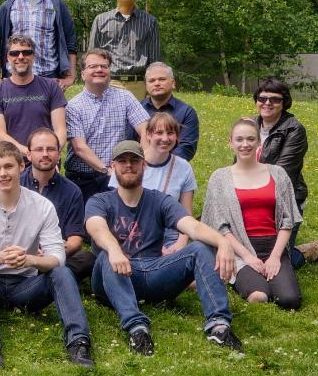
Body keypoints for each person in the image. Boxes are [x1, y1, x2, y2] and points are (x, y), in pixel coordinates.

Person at [85, 140, 243, 356]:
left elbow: (191, 225)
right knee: (105, 255)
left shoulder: (159, 200)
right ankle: (137, 329)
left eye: (134, 160)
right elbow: (96, 228)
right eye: (122, 161)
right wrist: (114, 250)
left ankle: (219, 326)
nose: (128, 165)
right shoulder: (99, 200)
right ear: (113, 167)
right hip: (111, 277)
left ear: (144, 166)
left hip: (153, 271)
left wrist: (223, 242)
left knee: (200, 248)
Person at [0, 142, 94, 369]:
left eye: (9, 166)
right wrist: (2, 257)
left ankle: (79, 342)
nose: (3, 174)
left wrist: (30, 260)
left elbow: (57, 256)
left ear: (22, 166)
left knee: (61, 272)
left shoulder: (43, 206)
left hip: (27, 285)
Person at [201, 118, 302, 310]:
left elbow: (287, 221)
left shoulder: (278, 174)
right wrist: (247, 256)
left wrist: (274, 257)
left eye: (250, 139)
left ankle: (295, 260)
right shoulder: (219, 178)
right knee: (259, 296)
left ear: (259, 143)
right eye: (239, 139)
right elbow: (220, 227)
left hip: (274, 246)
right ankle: (246, 278)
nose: (245, 144)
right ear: (230, 142)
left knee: (290, 301)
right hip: (238, 248)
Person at [252, 78, 318, 266]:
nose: (267, 103)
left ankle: (314, 249)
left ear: (284, 103)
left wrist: (246, 184)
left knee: (281, 263)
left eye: (274, 99)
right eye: (262, 98)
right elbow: (238, 163)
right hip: (252, 195)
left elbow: (282, 173)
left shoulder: (294, 129)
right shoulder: (251, 125)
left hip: (286, 198)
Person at [65, 48, 150, 203]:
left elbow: (145, 130)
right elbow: (79, 148)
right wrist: (107, 170)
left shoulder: (125, 97)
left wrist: (143, 162)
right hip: (83, 178)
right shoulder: (73, 106)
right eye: (93, 66)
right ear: (83, 74)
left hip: (120, 174)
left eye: (104, 66)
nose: (99, 70)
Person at [109, 112, 196, 254]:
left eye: (170, 133)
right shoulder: (130, 164)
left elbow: (186, 213)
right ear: (148, 135)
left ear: (177, 137)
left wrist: (181, 242)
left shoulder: (183, 167)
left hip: (170, 231)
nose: (165, 138)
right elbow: (115, 209)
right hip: (134, 229)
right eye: (159, 133)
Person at [21, 127, 95, 282]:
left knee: (86, 259)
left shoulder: (72, 191)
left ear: (58, 153)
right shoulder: (16, 184)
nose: (45, 154)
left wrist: (52, 253)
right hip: (21, 254)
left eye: (51, 149)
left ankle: (41, 279)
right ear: (29, 154)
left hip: (55, 253)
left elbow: (75, 239)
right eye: (39, 149)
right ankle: (51, 281)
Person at [0, 0, 76, 89]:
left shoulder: (56, 5)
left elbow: (70, 40)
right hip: (14, 78)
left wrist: (70, 76)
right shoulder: (7, 7)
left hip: (49, 78)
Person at [0, 34, 67, 159]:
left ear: (34, 56)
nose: (20, 57)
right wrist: (31, 154)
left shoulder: (52, 86)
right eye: (14, 53)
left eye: (26, 52)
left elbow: (60, 130)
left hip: (46, 160)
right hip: (14, 160)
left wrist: (51, 154)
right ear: (8, 58)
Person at [88, 0, 160, 98]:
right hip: (108, 85)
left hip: (139, 87)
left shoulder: (150, 22)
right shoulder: (100, 20)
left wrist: (151, 92)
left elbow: (154, 61)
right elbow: (92, 58)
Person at [140, 63, 199, 160]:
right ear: (146, 86)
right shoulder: (137, 109)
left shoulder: (186, 112)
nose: (157, 83)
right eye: (152, 80)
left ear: (173, 83)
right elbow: (129, 141)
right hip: (140, 168)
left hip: (173, 169)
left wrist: (163, 164)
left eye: (162, 79)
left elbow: (186, 148)